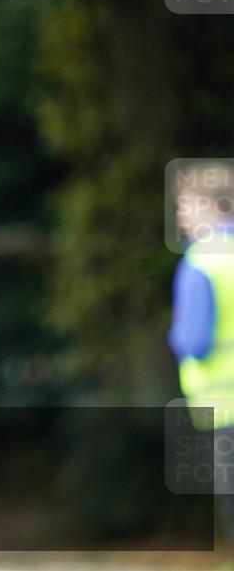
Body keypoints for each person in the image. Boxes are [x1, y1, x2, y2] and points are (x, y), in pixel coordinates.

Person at [169, 161, 234, 557]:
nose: (179, 215)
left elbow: (192, 341)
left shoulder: (201, 262)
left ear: (212, 206)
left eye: (185, 204)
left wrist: (174, 333)